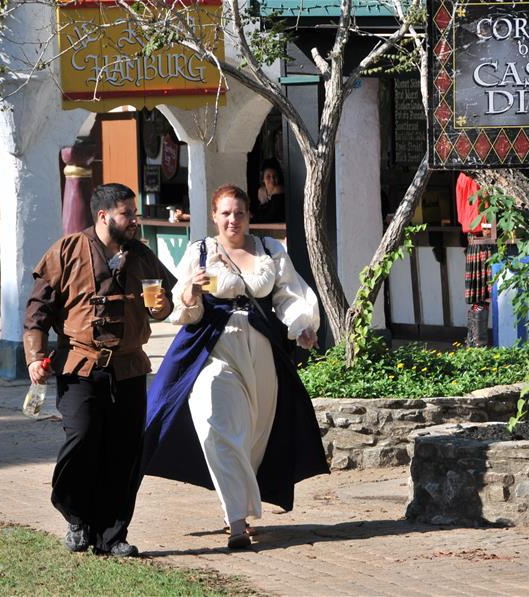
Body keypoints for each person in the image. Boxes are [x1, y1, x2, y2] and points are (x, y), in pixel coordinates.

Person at [143, 184, 328, 549]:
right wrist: (192, 294)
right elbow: (184, 308)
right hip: (213, 347)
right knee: (217, 425)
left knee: (253, 435)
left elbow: (288, 295)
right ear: (214, 216)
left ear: (248, 216)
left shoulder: (269, 250)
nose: (233, 220)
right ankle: (237, 522)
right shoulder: (200, 253)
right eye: (225, 213)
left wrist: (302, 325)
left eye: (239, 213)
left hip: (260, 351)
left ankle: (241, 503)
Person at [23, 183, 177, 556]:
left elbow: (165, 304)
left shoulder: (141, 256)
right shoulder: (68, 250)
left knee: (124, 452)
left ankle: (113, 535)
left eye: (135, 213)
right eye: (127, 214)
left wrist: (159, 307)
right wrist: (34, 356)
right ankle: (77, 519)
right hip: (80, 366)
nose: (135, 221)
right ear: (103, 216)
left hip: (128, 369)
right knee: (82, 442)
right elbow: (37, 311)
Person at [456, 172, 493, 347]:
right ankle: (479, 344)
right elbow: (485, 206)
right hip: (483, 239)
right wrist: (490, 230)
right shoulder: (479, 175)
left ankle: (473, 342)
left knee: (479, 297)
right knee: (485, 295)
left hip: (471, 238)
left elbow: (460, 215)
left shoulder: (461, 177)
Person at [253, 158, 286, 223]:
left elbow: (270, 218)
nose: (272, 180)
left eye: (275, 176)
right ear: (263, 179)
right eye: (268, 177)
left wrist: (254, 216)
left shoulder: (279, 191)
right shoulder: (261, 192)